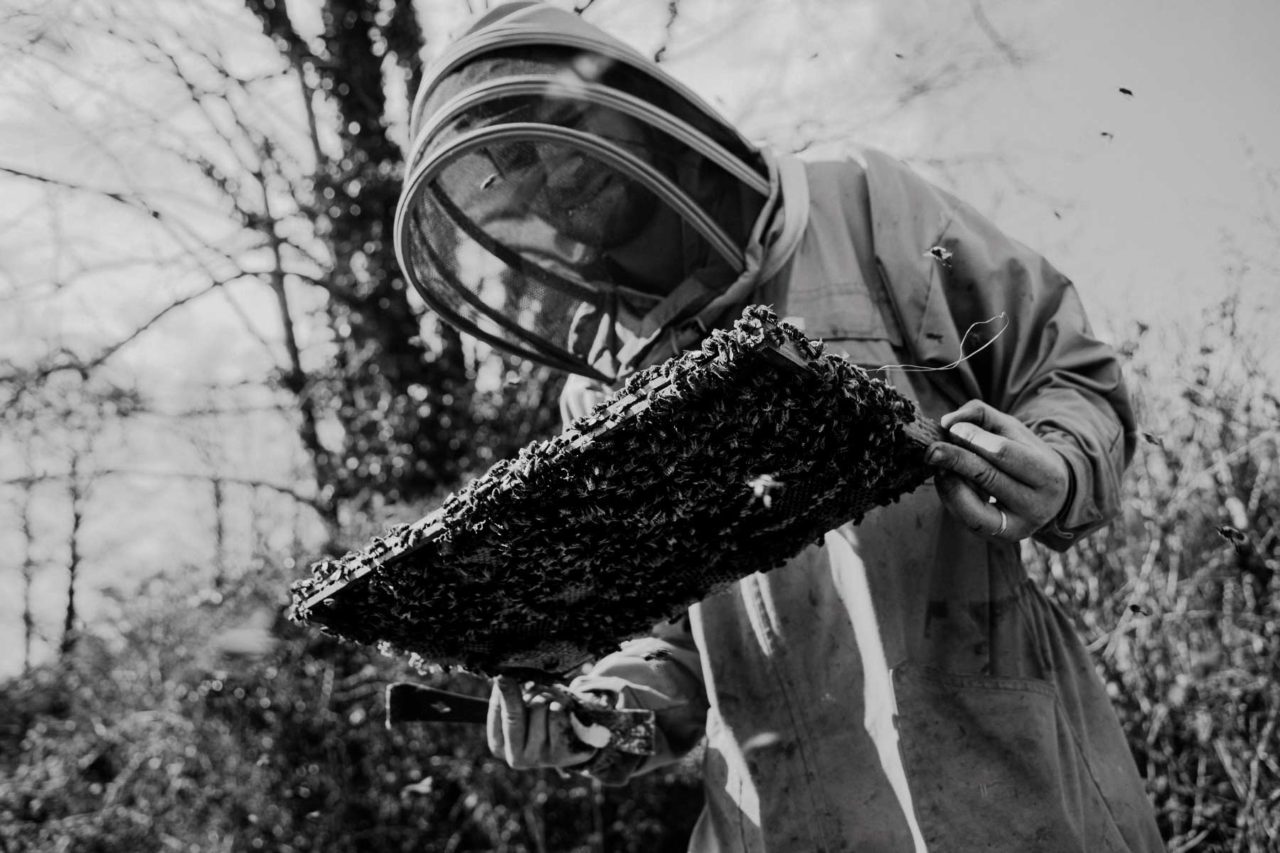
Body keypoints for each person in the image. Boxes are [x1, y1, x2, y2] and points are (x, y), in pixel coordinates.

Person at [392, 2, 1165, 850]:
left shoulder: (862, 207)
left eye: (560, 130)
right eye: (516, 166)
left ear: (627, 105)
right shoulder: (599, 391)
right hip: (775, 819)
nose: (554, 176)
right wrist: (599, 714)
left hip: (990, 786)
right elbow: (675, 644)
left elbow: (1062, 368)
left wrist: (1058, 461)